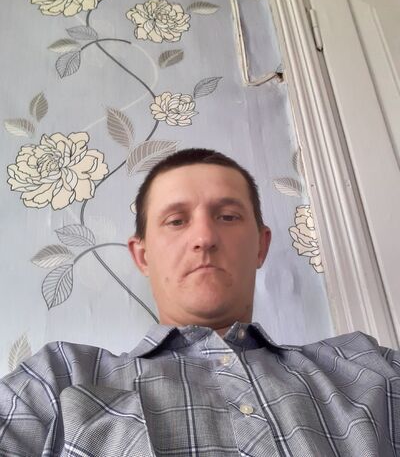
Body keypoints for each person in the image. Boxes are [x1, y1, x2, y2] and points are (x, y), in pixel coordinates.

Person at [0, 148, 399, 457]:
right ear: (142, 256)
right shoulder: (58, 378)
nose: (205, 238)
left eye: (228, 216)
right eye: (176, 220)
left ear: (261, 246)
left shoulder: (369, 367)